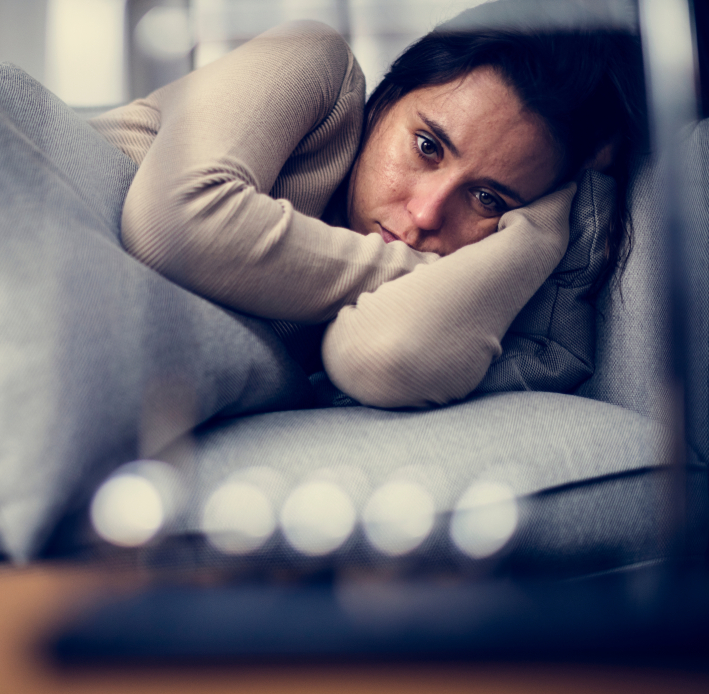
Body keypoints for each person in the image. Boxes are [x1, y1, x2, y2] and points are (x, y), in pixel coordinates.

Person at [91, 7, 645, 408]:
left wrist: (549, 225)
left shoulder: (369, 306)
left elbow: (383, 355)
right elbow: (173, 223)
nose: (427, 214)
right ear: (385, 102)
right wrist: (428, 271)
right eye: (427, 147)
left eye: (487, 198)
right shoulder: (312, 62)